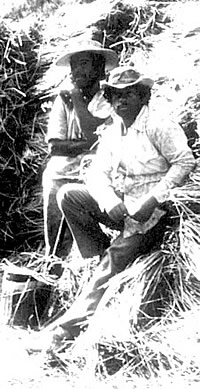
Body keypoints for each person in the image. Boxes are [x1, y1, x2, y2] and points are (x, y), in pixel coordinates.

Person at [39, 65, 196, 350]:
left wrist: (154, 200)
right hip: (125, 206)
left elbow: (185, 162)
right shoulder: (112, 132)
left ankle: (63, 332)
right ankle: (101, 257)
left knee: (115, 257)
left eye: (129, 94)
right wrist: (109, 200)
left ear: (142, 97)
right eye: (115, 96)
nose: (121, 101)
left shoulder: (158, 125)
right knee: (68, 195)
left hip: (155, 212)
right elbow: (97, 174)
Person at [42, 37, 118, 262]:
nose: (77, 70)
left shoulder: (111, 98)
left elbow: (95, 136)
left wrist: (76, 98)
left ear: (100, 69)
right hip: (63, 169)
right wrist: (90, 144)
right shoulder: (62, 100)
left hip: (98, 170)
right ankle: (54, 263)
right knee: (53, 184)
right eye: (74, 65)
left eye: (84, 63)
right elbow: (55, 146)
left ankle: (104, 254)